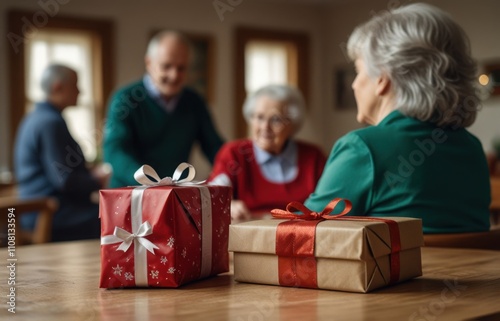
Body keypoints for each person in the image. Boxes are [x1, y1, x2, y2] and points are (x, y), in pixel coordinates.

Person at [304, 3, 491, 234]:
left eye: (358, 71)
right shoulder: (472, 148)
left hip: (399, 272)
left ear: (382, 78)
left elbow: (302, 236)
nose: (353, 84)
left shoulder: (362, 148)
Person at [103, 30, 224, 187]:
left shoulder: (194, 102)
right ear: (149, 63)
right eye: (166, 66)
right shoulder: (125, 99)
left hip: (172, 195)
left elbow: (214, 146)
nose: (174, 75)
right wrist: (150, 182)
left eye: (181, 68)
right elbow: (114, 151)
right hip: (130, 194)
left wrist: (231, 171)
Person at [14, 64, 109, 242]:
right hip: (47, 213)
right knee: (114, 217)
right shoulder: (50, 123)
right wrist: (97, 179)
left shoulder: (36, 118)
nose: (80, 91)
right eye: (75, 85)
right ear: (58, 87)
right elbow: (65, 181)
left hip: (38, 211)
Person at [208, 84, 327, 220]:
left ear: (292, 124)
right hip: (249, 237)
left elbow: (328, 203)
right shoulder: (234, 154)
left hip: (303, 236)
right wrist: (228, 204)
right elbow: (212, 195)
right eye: (259, 117)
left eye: (276, 119)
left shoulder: (314, 157)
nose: (265, 127)